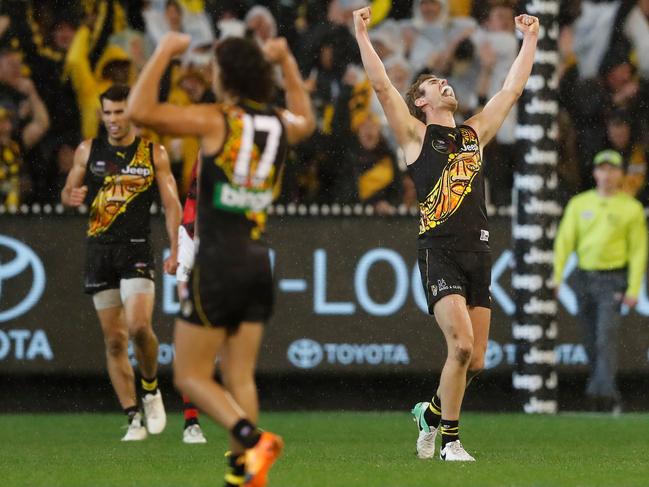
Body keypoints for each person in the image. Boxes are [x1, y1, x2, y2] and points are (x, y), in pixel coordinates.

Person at [127, 33, 315, 486]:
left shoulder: (218, 119)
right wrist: (288, 61)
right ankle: (245, 477)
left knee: (190, 377)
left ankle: (252, 439)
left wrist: (162, 53)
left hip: (216, 262)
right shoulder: (277, 122)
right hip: (256, 262)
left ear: (224, 76)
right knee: (239, 376)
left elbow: (139, 113)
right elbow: (307, 118)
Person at [353, 6, 538, 461]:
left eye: (444, 80)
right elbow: (381, 85)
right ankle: (449, 442)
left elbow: (512, 88)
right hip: (439, 252)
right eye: (434, 84)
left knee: (473, 361)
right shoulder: (416, 137)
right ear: (422, 101)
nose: (444, 83)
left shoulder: (474, 134)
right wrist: (360, 32)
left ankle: (429, 413)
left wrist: (530, 39)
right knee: (459, 344)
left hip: (479, 253)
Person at [61, 84, 182, 441]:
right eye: (108, 113)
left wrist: (175, 248)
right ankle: (132, 416)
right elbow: (69, 189)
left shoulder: (152, 152)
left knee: (139, 327)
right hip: (100, 251)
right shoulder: (88, 150)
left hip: (136, 250)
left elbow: (172, 203)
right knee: (114, 341)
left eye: (120, 112)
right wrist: (72, 195)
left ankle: (151, 388)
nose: (113, 120)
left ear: (132, 113)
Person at [554, 150, 648, 413]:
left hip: (613, 279)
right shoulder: (579, 204)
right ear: (595, 173)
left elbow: (638, 251)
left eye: (612, 170)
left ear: (620, 174)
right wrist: (557, 275)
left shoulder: (631, 208)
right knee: (588, 338)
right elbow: (564, 242)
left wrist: (633, 287)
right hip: (584, 278)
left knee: (605, 336)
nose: (607, 175)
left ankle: (604, 397)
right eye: (603, 169)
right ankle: (601, 390)